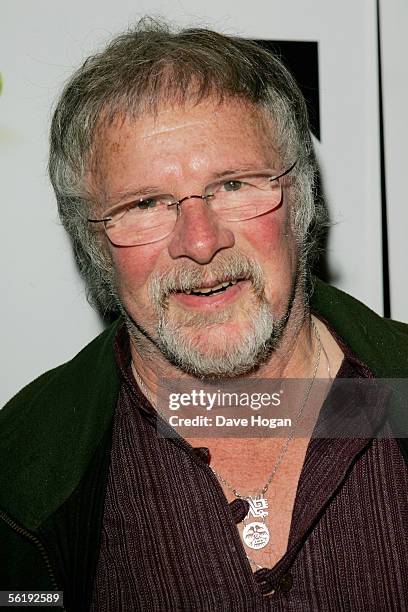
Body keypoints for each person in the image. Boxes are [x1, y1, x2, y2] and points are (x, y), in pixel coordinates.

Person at [1, 19, 407, 611]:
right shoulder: (20, 476)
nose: (199, 241)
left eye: (235, 185)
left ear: (302, 202)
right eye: (144, 204)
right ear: (92, 244)